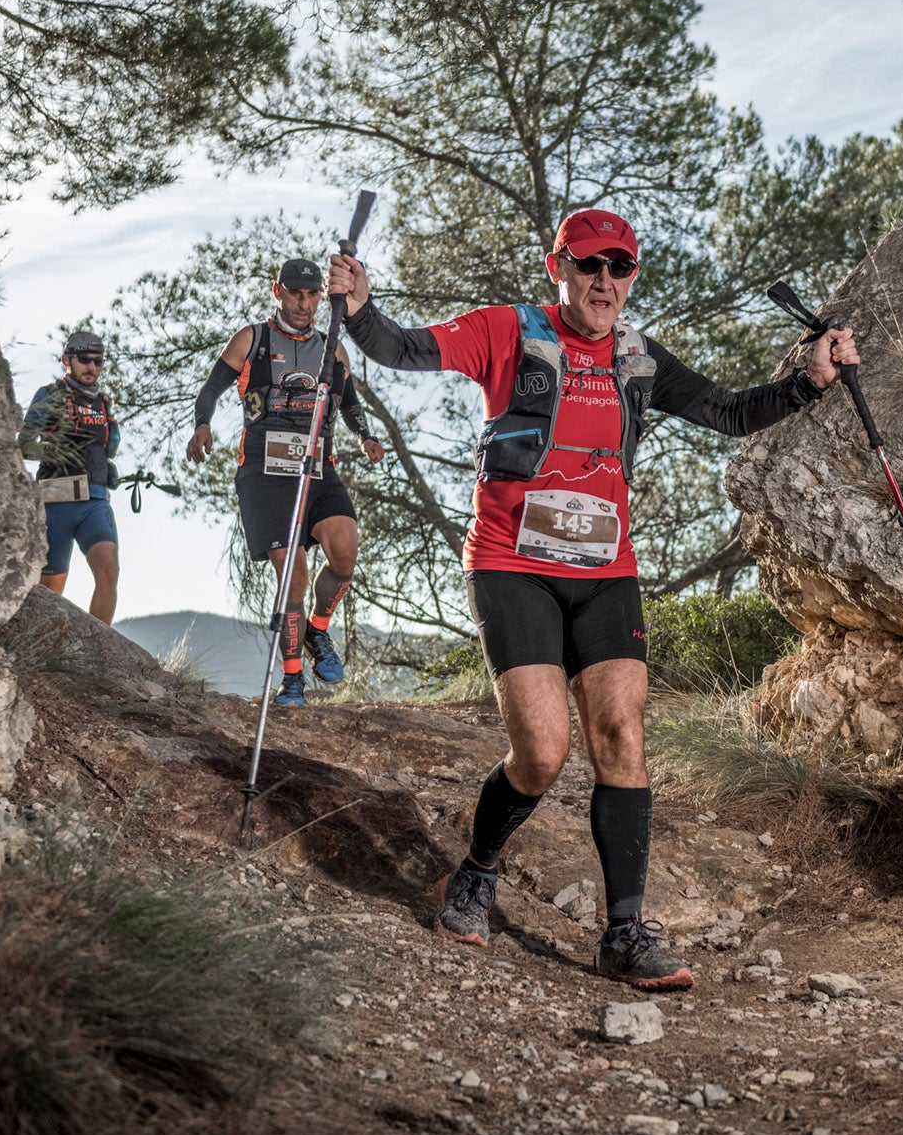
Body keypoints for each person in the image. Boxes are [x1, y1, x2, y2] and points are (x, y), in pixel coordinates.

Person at [327, 209, 858, 991]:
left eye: (620, 268)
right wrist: (359, 310)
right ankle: (475, 872)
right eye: (589, 265)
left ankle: (625, 932)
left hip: (605, 568)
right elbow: (404, 349)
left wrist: (811, 381)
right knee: (542, 753)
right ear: (559, 268)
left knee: (622, 732)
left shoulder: (639, 358)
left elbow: (730, 412)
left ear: (632, 277)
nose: (605, 281)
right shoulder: (508, 331)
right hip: (513, 562)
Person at [189, 258, 385, 706]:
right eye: (295, 293)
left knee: (345, 547)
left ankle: (317, 631)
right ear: (278, 292)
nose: (304, 302)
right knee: (292, 575)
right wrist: (203, 425)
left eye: (312, 294)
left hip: (317, 465)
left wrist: (366, 435)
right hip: (263, 471)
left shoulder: (333, 348)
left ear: (321, 296)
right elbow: (210, 390)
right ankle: (293, 679)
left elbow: (349, 403)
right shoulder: (252, 338)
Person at [21, 330, 122, 624]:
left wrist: (107, 468)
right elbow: (24, 444)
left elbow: (106, 447)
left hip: (95, 502)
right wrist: (56, 455)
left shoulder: (103, 403)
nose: (91, 367)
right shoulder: (50, 395)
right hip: (56, 502)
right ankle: (41, 654)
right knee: (50, 590)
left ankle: (102, 650)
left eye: (98, 361)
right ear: (67, 360)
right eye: (84, 360)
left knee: (109, 571)